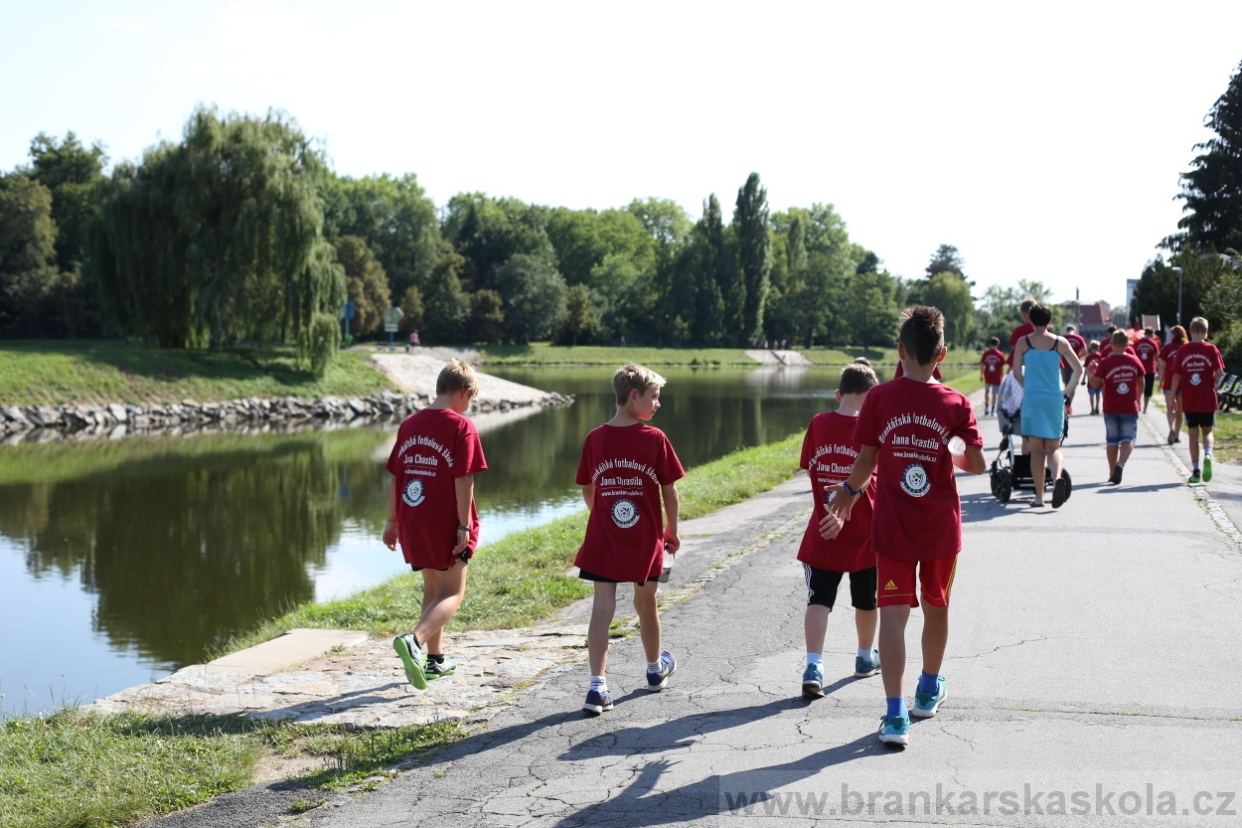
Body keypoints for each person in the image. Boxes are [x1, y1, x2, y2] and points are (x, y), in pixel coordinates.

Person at [827, 306, 986, 746]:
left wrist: (846, 493)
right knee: (937, 606)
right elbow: (976, 463)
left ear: (900, 351)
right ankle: (928, 687)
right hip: (939, 528)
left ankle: (895, 716)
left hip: (894, 527)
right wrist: (945, 445)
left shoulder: (880, 399)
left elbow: (866, 460)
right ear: (943, 354)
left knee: (893, 615)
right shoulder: (955, 403)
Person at [575, 363, 685, 714]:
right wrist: (672, 532)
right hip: (644, 540)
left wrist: (603, 516)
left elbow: (588, 489)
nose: (657, 404)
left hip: (604, 537)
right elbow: (670, 494)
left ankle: (597, 689)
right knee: (646, 603)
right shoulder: (654, 439)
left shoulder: (595, 438)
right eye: (654, 397)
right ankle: (655, 670)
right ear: (633, 396)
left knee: (602, 610)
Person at [385, 360, 487, 689]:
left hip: (413, 516)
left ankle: (435, 660)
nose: (468, 405)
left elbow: (396, 477)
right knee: (453, 591)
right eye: (470, 399)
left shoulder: (410, 424)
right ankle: (414, 641)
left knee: (433, 588)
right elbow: (463, 477)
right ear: (465, 392)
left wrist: (391, 520)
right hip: (445, 519)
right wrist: (463, 525)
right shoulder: (462, 426)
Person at [797, 361, 882, 700]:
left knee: (819, 598)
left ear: (839, 393)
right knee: (866, 600)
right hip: (865, 533)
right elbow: (876, 478)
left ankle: (813, 665)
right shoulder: (874, 429)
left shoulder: (818, 423)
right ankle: (864, 657)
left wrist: (829, 505)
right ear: (872, 395)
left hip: (823, 528)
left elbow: (810, 470)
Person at [1013, 304, 1083, 508]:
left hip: (1033, 399)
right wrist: (1066, 391)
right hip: (1054, 399)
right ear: (1050, 321)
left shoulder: (1023, 342)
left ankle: (1039, 497)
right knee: (1053, 449)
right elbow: (1078, 369)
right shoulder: (1060, 343)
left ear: (1031, 321)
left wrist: (1027, 387)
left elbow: (1017, 373)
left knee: (1036, 451)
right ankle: (1057, 475)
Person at [1171, 317, 1225, 484]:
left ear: (1191, 331)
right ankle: (1208, 454)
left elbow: (1176, 375)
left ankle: (1195, 471)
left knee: (1193, 433)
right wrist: (1210, 381)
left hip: (1189, 397)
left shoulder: (1183, 350)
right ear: (1206, 333)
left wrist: (1173, 396)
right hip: (1207, 396)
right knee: (1207, 431)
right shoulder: (1211, 349)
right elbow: (1220, 373)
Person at [1087, 331, 1145, 484]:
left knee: (1112, 440)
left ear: (1111, 344)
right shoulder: (1135, 360)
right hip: (1129, 405)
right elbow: (1142, 382)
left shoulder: (1105, 362)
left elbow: (1095, 383)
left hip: (1111, 406)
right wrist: (1138, 400)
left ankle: (1112, 472)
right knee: (1129, 438)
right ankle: (1121, 464)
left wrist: (1089, 372)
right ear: (1127, 345)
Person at [1159, 325, 1187, 444]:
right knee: (1180, 411)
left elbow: (1163, 367)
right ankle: (1176, 435)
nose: (1169, 336)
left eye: (1171, 333)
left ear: (1175, 335)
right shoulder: (1186, 347)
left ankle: (1171, 428)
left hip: (1170, 382)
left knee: (1170, 409)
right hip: (1183, 383)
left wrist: (1161, 381)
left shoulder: (1167, 348)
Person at [1133, 327, 1160, 414]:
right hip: (1150, 370)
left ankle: (1138, 402)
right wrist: (1159, 367)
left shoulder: (1138, 343)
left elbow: (1134, 355)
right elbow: (1156, 357)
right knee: (1148, 390)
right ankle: (1145, 408)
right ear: (1152, 334)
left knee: (1138, 387)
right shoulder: (1153, 343)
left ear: (1145, 333)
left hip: (1138, 370)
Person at [1006, 298, 1037, 369]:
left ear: (1024, 314)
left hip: (1023, 368)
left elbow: (1015, 353)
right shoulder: (1042, 329)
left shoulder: (1019, 331)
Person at [980, 337, 1005, 416]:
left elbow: (982, 365)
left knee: (987, 392)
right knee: (994, 394)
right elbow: (1001, 367)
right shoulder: (1000, 354)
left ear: (990, 344)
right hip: (997, 376)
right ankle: (992, 410)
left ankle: (987, 407)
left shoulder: (986, 353)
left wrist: (981, 375)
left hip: (988, 375)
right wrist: (1002, 376)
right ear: (997, 345)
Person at [1083, 341, 1103, 415]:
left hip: (1098, 377)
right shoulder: (1089, 357)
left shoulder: (1100, 357)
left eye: (1096, 348)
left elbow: (1103, 368)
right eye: (1093, 348)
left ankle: (1096, 407)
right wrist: (1084, 378)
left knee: (1096, 393)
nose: (1094, 350)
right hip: (1092, 378)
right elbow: (1086, 368)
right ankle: (1093, 408)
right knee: (1092, 394)